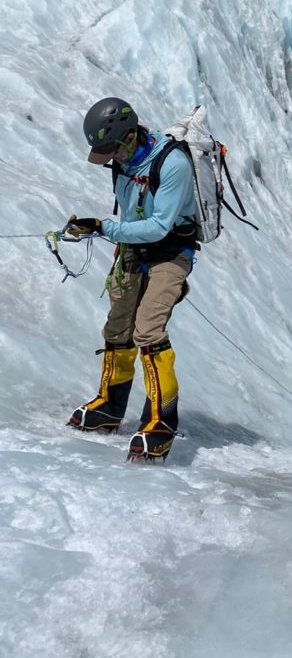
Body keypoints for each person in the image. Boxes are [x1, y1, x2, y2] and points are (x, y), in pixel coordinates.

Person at [66, 97, 198, 463]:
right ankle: (109, 405)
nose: (110, 159)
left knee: (148, 330)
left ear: (128, 137)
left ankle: (161, 422)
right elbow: (131, 212)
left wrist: (105, 227)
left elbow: (159, 226)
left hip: (171, 253)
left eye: (112, 150)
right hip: (133, 251)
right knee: (118, 326)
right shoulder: (123, 161)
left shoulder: (172, 164)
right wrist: (98, 230)